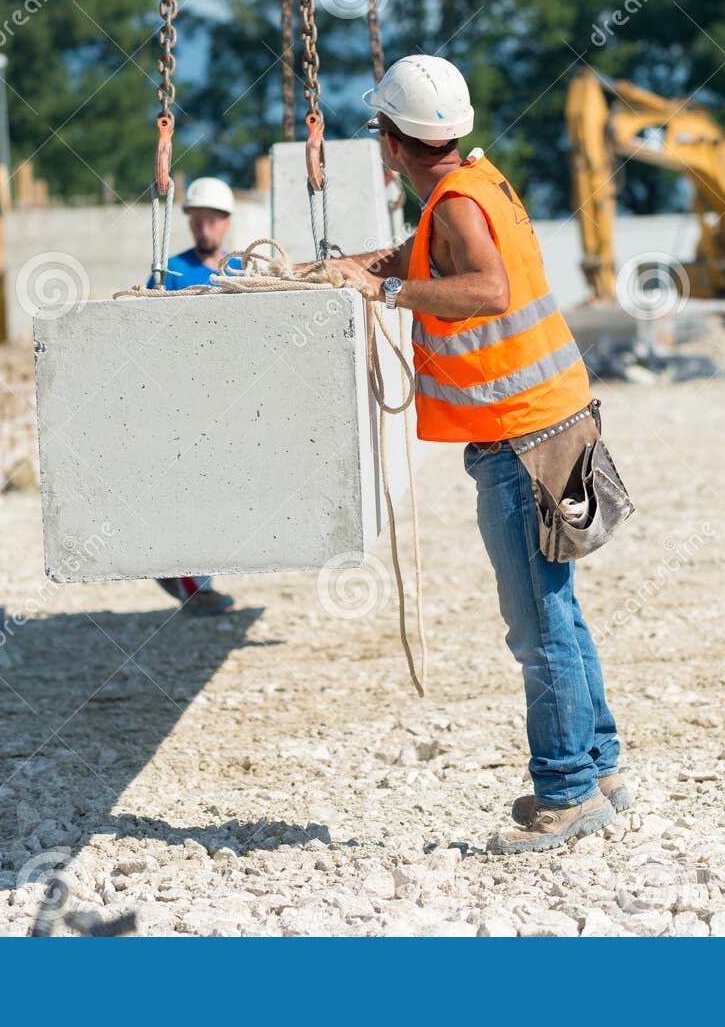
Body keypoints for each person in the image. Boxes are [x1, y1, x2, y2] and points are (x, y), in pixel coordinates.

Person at [317, 54, 631, 853]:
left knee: (537, 622)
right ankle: (599, 767)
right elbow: (434, 257)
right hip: (553, 422)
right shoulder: (478, 186)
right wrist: (366, 265)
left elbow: (484, 288)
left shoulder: (455, 207)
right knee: (558, 605)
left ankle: (566, 792)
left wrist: (382, 291)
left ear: (392, 141)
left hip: (519, 438)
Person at [149, 176, 240, 616]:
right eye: (197, 220)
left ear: (226, 223)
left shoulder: (244, 272)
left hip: (228, 400)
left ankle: (193, 578)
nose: (204, 228)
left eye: (211, 220)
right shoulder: (167, 271)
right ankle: (192, 584)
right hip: (180, 401)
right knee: (190, 490)